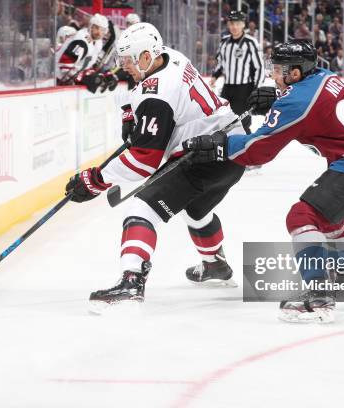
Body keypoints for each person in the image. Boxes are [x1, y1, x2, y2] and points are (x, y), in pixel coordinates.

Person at [183, 39, 344, 324]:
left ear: (296, 73)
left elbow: (257, 151)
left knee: (302, 216)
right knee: (328, 219)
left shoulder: (295, 101)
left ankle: (318, 296)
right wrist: (277, 100)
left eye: (278, 70)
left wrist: (219, 145)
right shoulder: (327, 77)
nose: (274, 75)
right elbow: (313, 111)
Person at [64, 23, 245, 313]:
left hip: (203, 156)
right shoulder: (170, 56)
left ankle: (131, 282)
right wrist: (129, 112)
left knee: (141, 210)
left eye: (128, 60)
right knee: (196, 209)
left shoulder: (157, 96)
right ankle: (215, 265)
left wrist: (97, 179)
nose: (124, 67)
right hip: (233, 149)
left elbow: (143, 161)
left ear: (146, 57)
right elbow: (142, 92)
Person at [210, 10, 264, 134]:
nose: (234, 27)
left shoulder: (251, 43)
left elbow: (259, 67)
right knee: (223, 118)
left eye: (237, 23)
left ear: (243, 25)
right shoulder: (224, 41)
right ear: (228, 25)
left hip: (245, 89)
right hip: (227, 88)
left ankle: (246, 147)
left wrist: (256, 89)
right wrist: (214, 76)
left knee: (243, 120)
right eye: (232, 23)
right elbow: (220, 62)